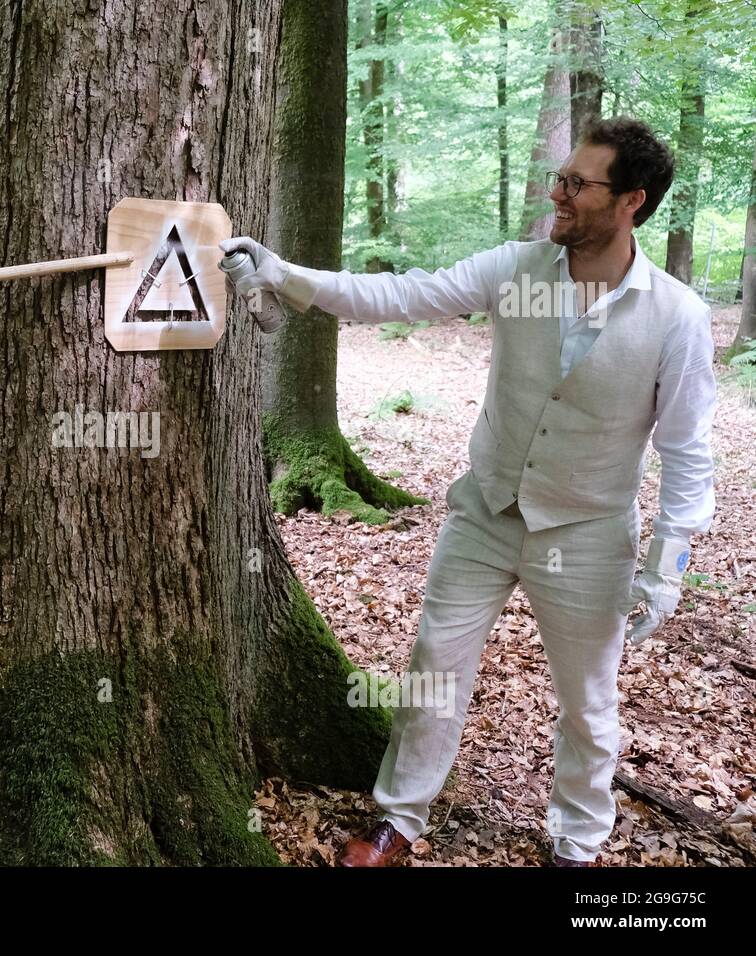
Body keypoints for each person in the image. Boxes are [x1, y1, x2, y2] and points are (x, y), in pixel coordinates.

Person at [222, 116, 716, 867]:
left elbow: (686, 448)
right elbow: (404, 294)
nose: (558, 193)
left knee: (588, 703)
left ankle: (577, 846)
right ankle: (399, 820)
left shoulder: (676, 316)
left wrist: (668, 565)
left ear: (630, 202)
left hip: (587, 535)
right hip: (485, 513)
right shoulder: (517, 269)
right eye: (562, 176)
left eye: (578, 184)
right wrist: (286, 275)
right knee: (433, 668)